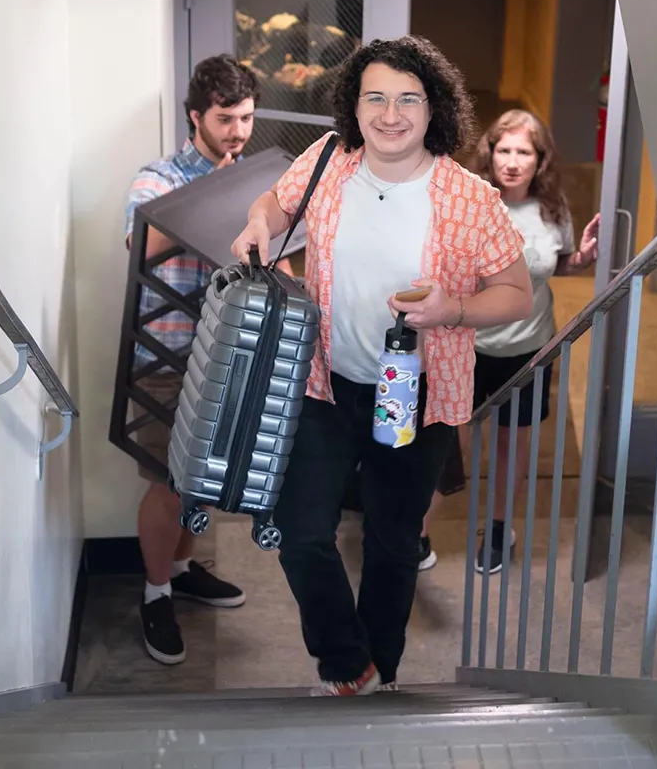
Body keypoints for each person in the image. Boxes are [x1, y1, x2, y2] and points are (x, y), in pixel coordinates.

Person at [230, 35, 534, 696]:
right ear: (354, 104)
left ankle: (380, 675)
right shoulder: (330, 162)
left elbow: (518, 294)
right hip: (323, 383)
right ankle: (349, 664)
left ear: (433, 110)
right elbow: (276, 204)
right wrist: (259, 221)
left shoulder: (469, 197)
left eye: (407, 99)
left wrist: (452, 308)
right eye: (375, 97)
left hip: (413, 394)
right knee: (301, 532)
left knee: (392, 542)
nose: (389, 114)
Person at [124, 54, 294, 666]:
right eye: (226, 118)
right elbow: (136, 242)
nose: (238, 132)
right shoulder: (159, 177)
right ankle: (155, 592)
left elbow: (282, 254)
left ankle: (184, 570)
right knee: (168, 485)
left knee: (211, 477)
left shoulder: (259, 181)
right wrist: (212, 189)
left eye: (247, 118)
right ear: (196, 115)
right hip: (168, 354)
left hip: (230, 352)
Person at [417, 109, 599, 575]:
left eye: (525, 152)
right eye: (505, 150)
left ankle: (498, 529)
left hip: (527, 349)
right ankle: (415, 532)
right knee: (442, 444)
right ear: (490, 153)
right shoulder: (468, 202)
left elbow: (554, 267)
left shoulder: (552, 208)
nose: (513, 161)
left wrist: (581, 258)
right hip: (465, 343)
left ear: (540, 162)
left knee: (508, 446)